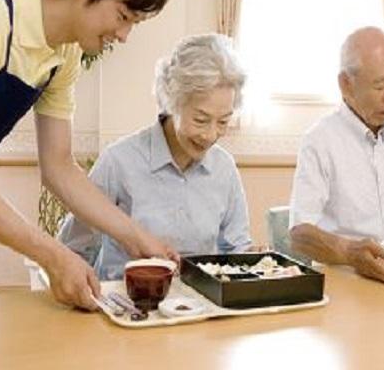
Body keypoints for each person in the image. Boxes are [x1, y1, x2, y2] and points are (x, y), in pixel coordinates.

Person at [0, 0, 176, 309]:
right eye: (123, 15)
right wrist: (51, 254)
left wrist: (137, 238)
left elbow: (60, 166)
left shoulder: (62, 54)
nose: (123, 35)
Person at [58, 34, 252, 279]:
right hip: (125, 306)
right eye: (200, 120)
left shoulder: (224, 167)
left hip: (201, 308)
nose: (210, 135)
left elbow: (236, 250)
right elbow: (74, 248)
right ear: (172, 102)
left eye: (223, 121)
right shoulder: (119, 162)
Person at [289, 27, 384, 285]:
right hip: (344, 284)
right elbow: (300, 234)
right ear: (346, 84)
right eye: (380, 85)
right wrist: (348, 252)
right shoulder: (319, 140)